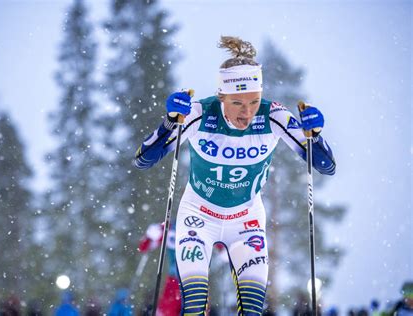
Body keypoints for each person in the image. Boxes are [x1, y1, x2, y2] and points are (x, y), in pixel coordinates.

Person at [134, 36, 335, 315]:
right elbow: (144, 160)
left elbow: (326, 166)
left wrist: (316, 137)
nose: (248, 112)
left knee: (252, 310)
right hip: (198, 216)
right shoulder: (200, 114)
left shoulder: (274, 115)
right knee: (193, 304)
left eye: (254, 101)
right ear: (221, 97)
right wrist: (169, 122)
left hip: (246, 220)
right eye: (238, 103)